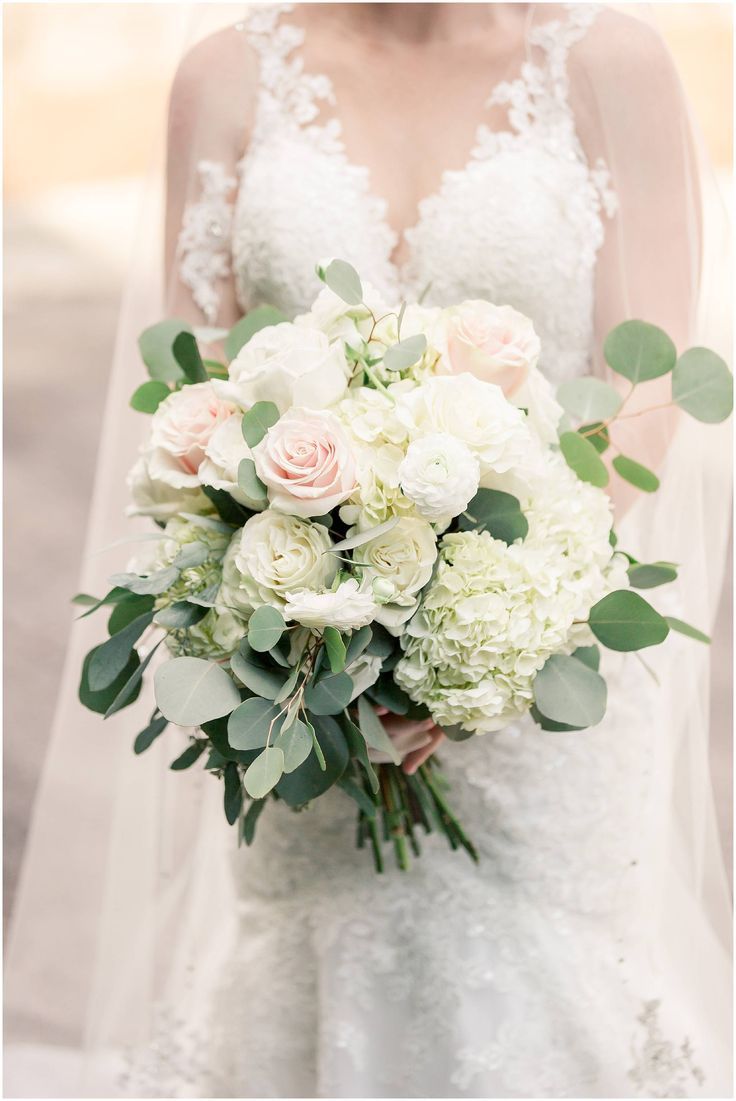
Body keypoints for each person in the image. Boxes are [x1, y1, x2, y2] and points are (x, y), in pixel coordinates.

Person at [5, 5, 732, 1097]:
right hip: (303, 682)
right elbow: (192, 401)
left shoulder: (603, 62)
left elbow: (646, 396)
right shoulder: (225, 77)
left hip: (543, 671)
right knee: (309, 976)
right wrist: (317, 639)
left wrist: (475, 625)